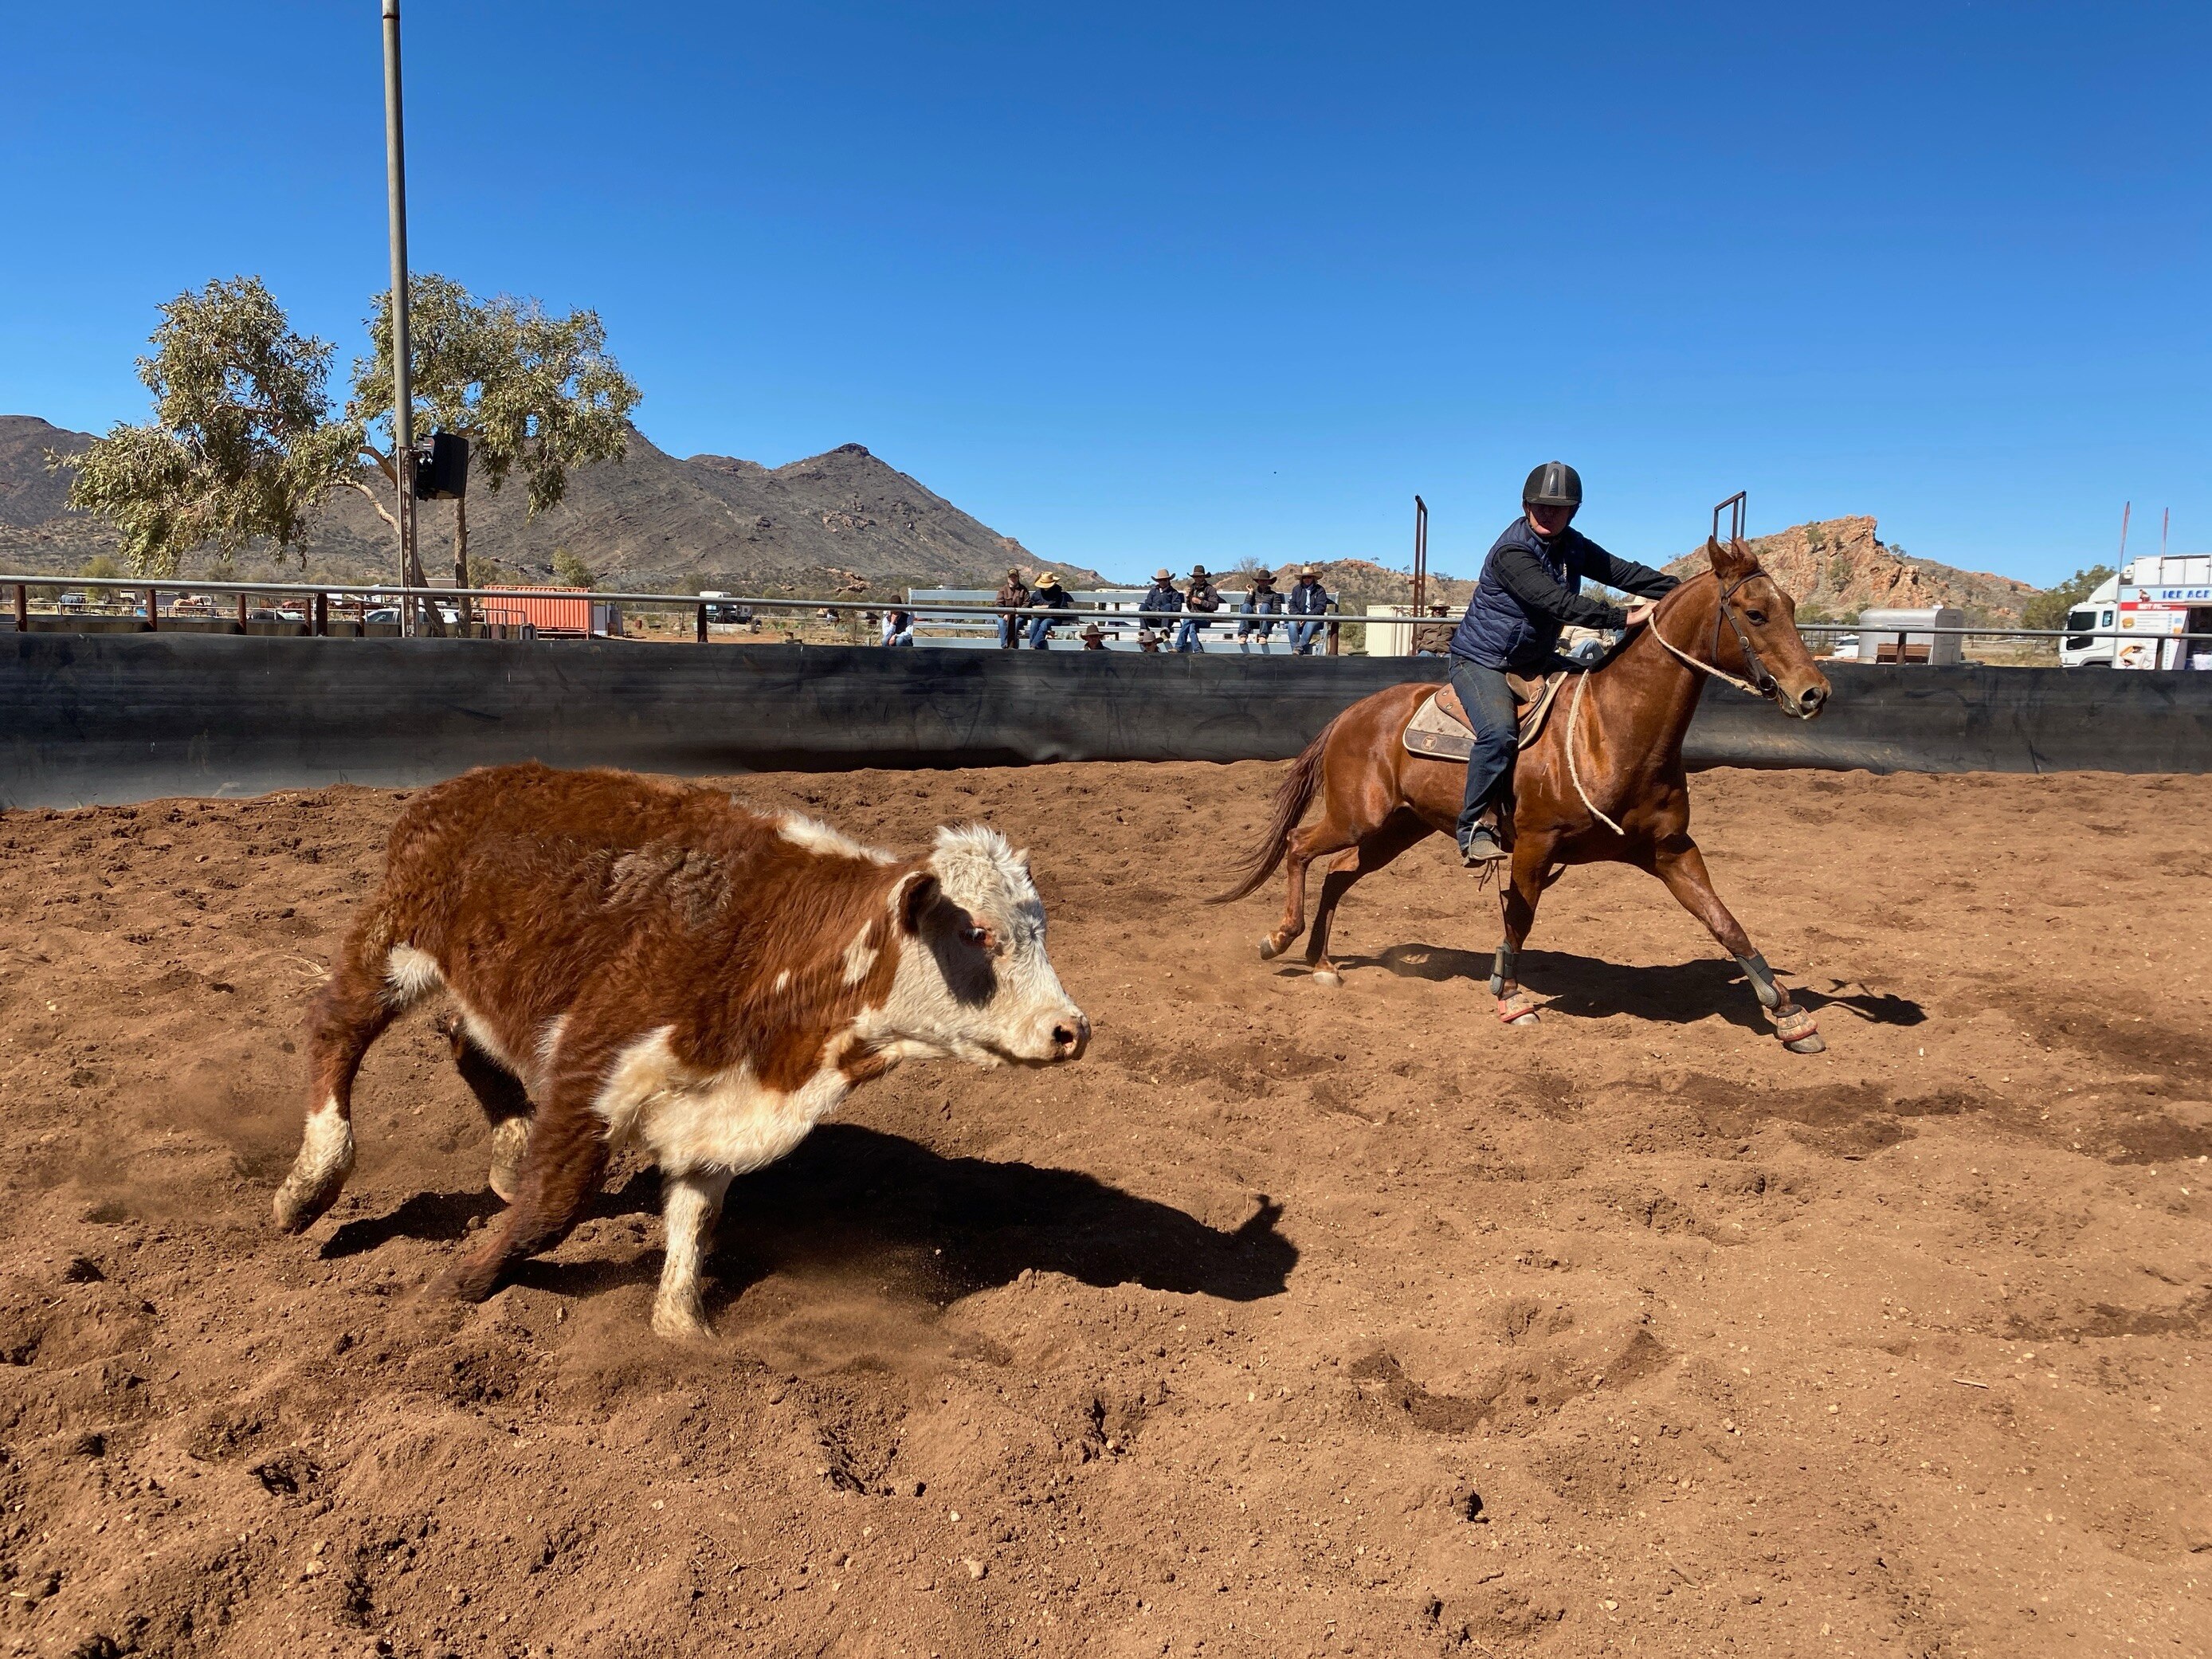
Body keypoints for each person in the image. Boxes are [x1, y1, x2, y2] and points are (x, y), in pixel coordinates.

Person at [1448, 461, 1678, 865]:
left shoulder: (1572, 544)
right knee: (1499, 734)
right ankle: (1473, 827)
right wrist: (1622, 617)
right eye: (1539, 506)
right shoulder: (1511, 552)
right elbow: (1556, 602)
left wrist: (1689, 592)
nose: (1547, 513)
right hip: (1483, 660)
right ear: (1525, 505)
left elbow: (1624, 573)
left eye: (1558, 508)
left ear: (1573, 512)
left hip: (1534, 658)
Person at [1173, 566, 1221, 653]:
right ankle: (1198, 650)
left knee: (1187, 620)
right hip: (1193, 618)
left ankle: (1179, 647)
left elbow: (1215, 606)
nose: (1197, 579)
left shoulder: (1210, 589)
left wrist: (1201, 602)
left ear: (1203, 577)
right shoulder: (1192, 588)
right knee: (1191, 626)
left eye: (1199, 576)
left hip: (1206, 619)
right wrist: (1188, 599)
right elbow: (1190, 608)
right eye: (1195, 577)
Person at [1236, 571, 1285, 653]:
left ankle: (1263, 635)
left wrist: (1265, 610)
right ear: (1258, 581)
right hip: (1253, 621)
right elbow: (1245, 608)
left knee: (1265, 606)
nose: (1263, 582)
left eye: (1265, 581)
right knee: (1245, 606)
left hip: (1267, 622)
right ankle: (1243, 635)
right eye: (1261, 580)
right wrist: (1250, 593)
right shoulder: (1253, 593)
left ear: (1269, 582)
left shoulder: (1274, 595)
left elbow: (1277, 612)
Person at [1286, 566, 1330, 653]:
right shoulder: (1296, 589)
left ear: (1313, 578)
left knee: (1310, 623)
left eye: (1309, 577)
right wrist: (1298, 616)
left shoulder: (1320, 590)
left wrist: (1307, 617)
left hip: (1314, 619)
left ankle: (1299, 648)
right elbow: (1292, 604)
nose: (1307, 579)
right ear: (1301, 579)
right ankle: (1296, 651)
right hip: (1299, 618)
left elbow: (1321, 607)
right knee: (1291, 624)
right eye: (1304, 577)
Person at [1137, 567, 1182, 650]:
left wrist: (1164, 609)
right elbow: (1148, 603)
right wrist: (1154, 610)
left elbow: (1177, 607)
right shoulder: (1153, 591)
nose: (1163, 582)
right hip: (1153, 619)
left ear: (1169, 580)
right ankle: (1143, 631)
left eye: (1165, 580)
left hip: (1166, 620)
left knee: (1168, 606)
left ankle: (1164, 632)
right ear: (1158, 581)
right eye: (1161, 580)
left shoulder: (1173, 592)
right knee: (1143, 606)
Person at [1026, 571, 1073, 649]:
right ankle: (1033, 645)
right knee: (1034, 622)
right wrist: (1046, 607)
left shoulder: (1058, 593)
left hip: (1055, 618)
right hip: (1040, 616)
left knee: (1045, 623)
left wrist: (1039, 607)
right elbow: (1032, 606)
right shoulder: (1037, 594)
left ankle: (1034, 645)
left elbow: (1056, 607)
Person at [994, 567, 1030, 648]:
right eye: (1011, 577)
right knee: (1000, 622)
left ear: (1018, 578)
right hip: (1005, 616)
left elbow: (1026, 604)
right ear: (1008, 578)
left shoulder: (1024, 590)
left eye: (1015, 577)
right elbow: (998, 605)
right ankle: (1005, 645)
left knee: (1016, 623)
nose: (1013, 579)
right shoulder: (1003, 590)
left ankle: (1012, 645)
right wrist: (1004, 615)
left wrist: (1018, 613)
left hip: (1019, 616)